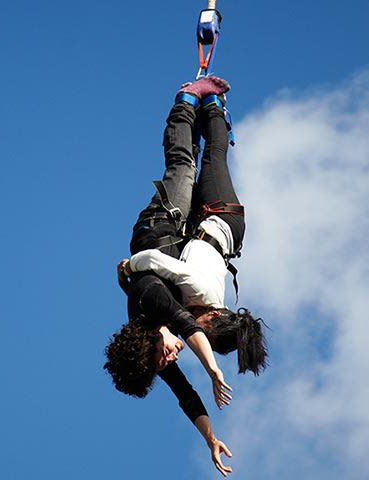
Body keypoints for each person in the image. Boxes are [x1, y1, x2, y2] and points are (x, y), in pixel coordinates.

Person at [105, 76, 236, 476]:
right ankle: (212, 111)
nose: (172, 356)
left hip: (162, 225)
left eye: (164, 355)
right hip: (183, 239)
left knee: (182, 162)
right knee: (207, 167)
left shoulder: (150, 303)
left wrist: (214, 369)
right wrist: (209, 438)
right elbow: (186, 396)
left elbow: (185, 324)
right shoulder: (157, 343)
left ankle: (185, 98)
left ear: (148, 343)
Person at [118, 89, 268, 377]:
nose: (194, 330)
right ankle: (213, 105)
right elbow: (153, 260)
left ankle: (199, 111)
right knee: (213, 158)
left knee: (188, 165)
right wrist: (129, 266)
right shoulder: (201, 291)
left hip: (200, 226)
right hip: (221, 216)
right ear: (213, 315)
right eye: (203, 330)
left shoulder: (192, 305)